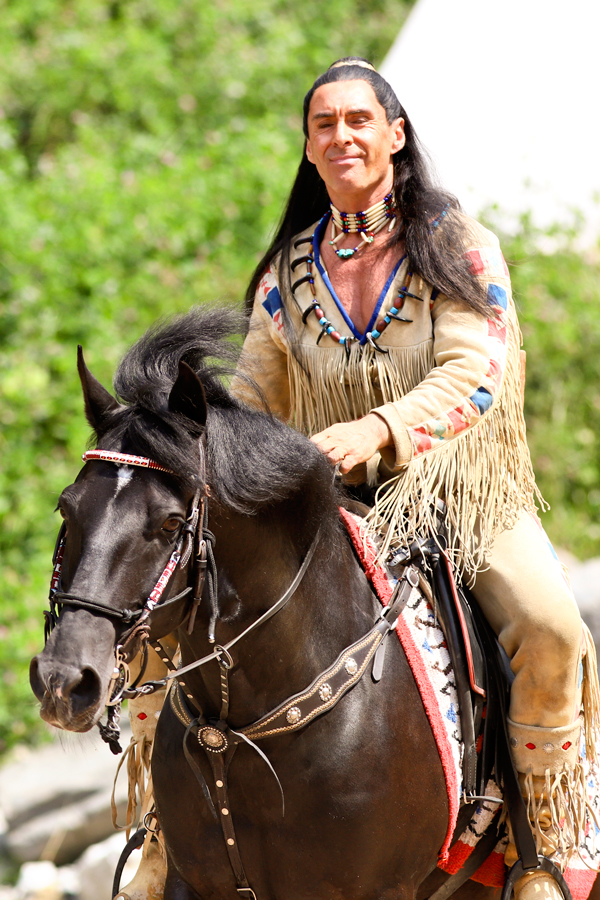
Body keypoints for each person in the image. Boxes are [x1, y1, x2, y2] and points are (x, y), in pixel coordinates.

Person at [116, 59, 598, 900]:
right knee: (164, 614)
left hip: (454, 491)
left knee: (551, 626)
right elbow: (256, 402)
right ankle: (159, 835)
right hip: (325, 502)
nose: (342, 136)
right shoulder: (286, 277)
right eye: (324, 124)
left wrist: (379, 428)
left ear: (395, 135)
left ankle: (544, 851)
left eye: (359, 121)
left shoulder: (458, 246)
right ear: (308, 147)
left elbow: (474, 375)